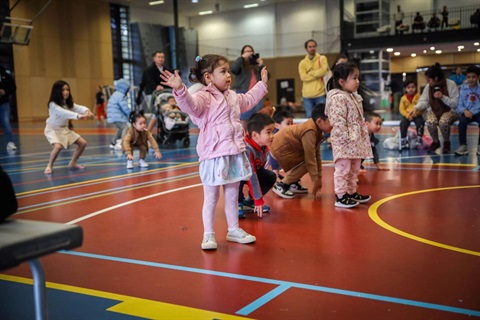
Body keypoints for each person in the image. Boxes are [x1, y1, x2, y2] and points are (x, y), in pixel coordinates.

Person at [160, 54, 269, 250]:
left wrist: (261, 85)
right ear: (208, 77)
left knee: (232, 195)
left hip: (234, 154)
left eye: (229, 71)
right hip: (213, 156)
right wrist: (179, 90)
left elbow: (248, 100)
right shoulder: (204, 97)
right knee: (211, 197)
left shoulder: (233, 96)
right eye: (223, 71)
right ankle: (208, 234)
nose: (228, 75)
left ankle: (233, 230)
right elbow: (190, 106)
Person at [325, 62, 373, 209]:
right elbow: (337, 121)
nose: (358, 81)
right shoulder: (337, 98)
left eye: (358, 77)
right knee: (343, 170)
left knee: (354, 169)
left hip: (355, 141)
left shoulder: (354, 97)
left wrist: (359, 137)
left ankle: (351, 192)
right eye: (354, 78)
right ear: (341, 81)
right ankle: (340, 196)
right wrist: (346, 138)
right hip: (345, 141)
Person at [270, 103, 332, 200]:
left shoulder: (316, 129)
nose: (335, 123)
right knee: (308, 162)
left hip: (285, 148)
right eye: (332, 120)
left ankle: (292, 183)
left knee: (309, 161)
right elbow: (310, 158)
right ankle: (282, 185)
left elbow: (317, 154)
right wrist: (315, 179)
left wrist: (319, 177)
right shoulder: (310, 130)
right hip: (279, 149)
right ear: (320, 121)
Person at [44, 80, 93, 174]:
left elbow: (79, 107)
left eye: (67, 89)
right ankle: (49, 165)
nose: (66, 92)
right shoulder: (52, 104)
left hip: (64, 129)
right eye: (63, 90)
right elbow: (65, 113)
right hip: (53, 129)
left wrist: (87, 111)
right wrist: (79, 116)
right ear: (57, 91)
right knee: (58, 147)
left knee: (82, 143)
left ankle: (73, 163)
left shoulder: (68, 103)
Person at [409, 63, 459, 154]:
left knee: (443, 121)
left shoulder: (451, 84)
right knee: (431, 121)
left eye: (429, 80)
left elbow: (455, 104)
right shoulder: (428, 87)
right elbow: (423, 100)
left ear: (435, 78)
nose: (428, 82)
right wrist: (416, 108)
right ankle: (436, 142)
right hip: (434, 110)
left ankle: (446, 142)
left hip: (450, 110)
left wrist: (442, 97)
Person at [238, 113, 276, 218]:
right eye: (268, 132)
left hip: (250, 172)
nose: (272, 136)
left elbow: (259, 169)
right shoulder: (247, 149)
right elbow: (252, 175)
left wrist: (255, 197)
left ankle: (249, 201)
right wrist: (258, 199)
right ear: (255, 135)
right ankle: (237, 203)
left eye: (273, 132)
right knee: (238, 180)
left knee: (270, 176)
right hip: (239, 174)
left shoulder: (263, 146)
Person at [230, 45, 268, 123]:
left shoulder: (256, 66)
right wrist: (242, 58)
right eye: (246, 51)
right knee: (243, 119)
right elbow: (233, 69)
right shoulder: (240, 64)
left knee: (256, 121)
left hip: (257, 94)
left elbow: (267, 76)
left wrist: (260, 65)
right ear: (242, 53)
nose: (249, 53)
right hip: (243, 93)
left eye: (251, 51)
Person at [136, 51, 171, 132]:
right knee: (156, 112)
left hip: (164, 94)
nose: (161, 59)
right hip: (152, 93)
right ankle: (148, 131)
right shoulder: (148, 70)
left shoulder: (166, 70)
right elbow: (145, 82)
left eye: (162, 57)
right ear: (154, 58)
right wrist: (138, 97)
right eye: (159, 57)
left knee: (165, 110)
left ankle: (164, 129)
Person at [298, 39, 329, 118]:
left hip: (320, 94)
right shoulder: (302, 63)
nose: (312, 48)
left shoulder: (322, 58)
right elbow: (303, 77)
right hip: (307, 96)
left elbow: (323, 71)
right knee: (309, 117)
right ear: (306, 49)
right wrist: (317, 73)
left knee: (323, 116)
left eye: (314, 46)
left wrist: (310, 72)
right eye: (310, 47)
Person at [454, 65, 480, 156]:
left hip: (477, 112)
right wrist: (465, 111)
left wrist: (472, 112)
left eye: (474, 77)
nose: (471, 79)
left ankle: (479, 146)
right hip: (466, 112)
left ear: (478, 77)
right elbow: (460, 104)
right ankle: (463, 146)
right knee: (462, 123)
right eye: (469, 77)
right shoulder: (463, 88)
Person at [399, 78, 424, 149]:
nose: (411, 89)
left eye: (413, 87)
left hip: (417, 115)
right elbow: (401, 109)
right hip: (407, 116)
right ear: (405, 89)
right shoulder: (403, 98)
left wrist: (417, 113)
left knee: (420, 122)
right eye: (408, 87)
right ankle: (403, 139)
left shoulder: (419, 97)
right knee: (403, 124)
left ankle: (419, 137)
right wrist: (407, 115)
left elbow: (422, 107)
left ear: (416, 88)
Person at [107, 78, 131, 150]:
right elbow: (124, 107)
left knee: (120, 129)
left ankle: (113, 143)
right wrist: (130, 113)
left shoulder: (115, 94)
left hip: (114, 116)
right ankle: (123, 143)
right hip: (117, 116)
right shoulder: (121, 96)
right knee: (125, 127)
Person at [0, 66, 17, 151]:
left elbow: (13, 87)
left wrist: (5, 91)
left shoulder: (6, 75)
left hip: (4, 103)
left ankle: (10, 142)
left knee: (6, 122)